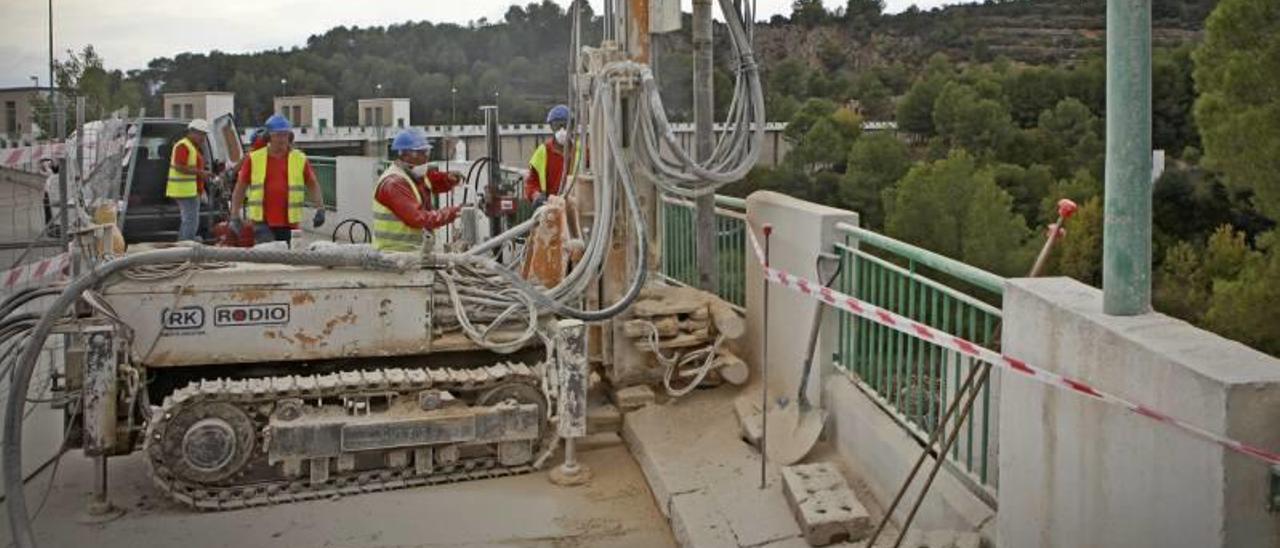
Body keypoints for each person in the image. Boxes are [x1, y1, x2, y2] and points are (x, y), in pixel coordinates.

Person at [230, 114, 325, 245]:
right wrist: (234, 215)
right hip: (262, 221)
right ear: (269, 136)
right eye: (278, 135)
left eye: (285, 135)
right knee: (269, 256)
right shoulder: (254, 158)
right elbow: (240, 188)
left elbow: (312, 184)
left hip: (290, 223)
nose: (282, 139)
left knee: (288, 260)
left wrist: (320, 208)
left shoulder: (299, 159)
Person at [372, 128, 463, 252]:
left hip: (414, 254)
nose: (425, 157)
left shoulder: (413, 175)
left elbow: (429, 183)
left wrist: (447, 179)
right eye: (420, 153)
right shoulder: (393, 183)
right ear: (404, 154)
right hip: (395, 255)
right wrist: (450, 213)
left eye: (427, 152)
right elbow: (418, 218)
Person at [524, 104, 581, 205]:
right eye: (557, 126)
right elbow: (531, 182)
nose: (562, 130)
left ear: (572, 127)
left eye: (565, 125)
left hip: (577, 205)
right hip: (551, 206)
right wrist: (536, 195)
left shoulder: (581, 151)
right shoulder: (542, 152)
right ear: (551, 127)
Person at [168, 119, 212, 241]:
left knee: (189, 220)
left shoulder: (192, 146)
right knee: (191, 221)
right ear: (192, 132)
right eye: (201, 134)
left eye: (205, 134)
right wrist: (201, 173)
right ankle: (186, 246)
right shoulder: (183, 145)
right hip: (185, 191)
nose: (203, 138)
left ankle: (183, 245)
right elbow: (179, 166)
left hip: (190, 190)